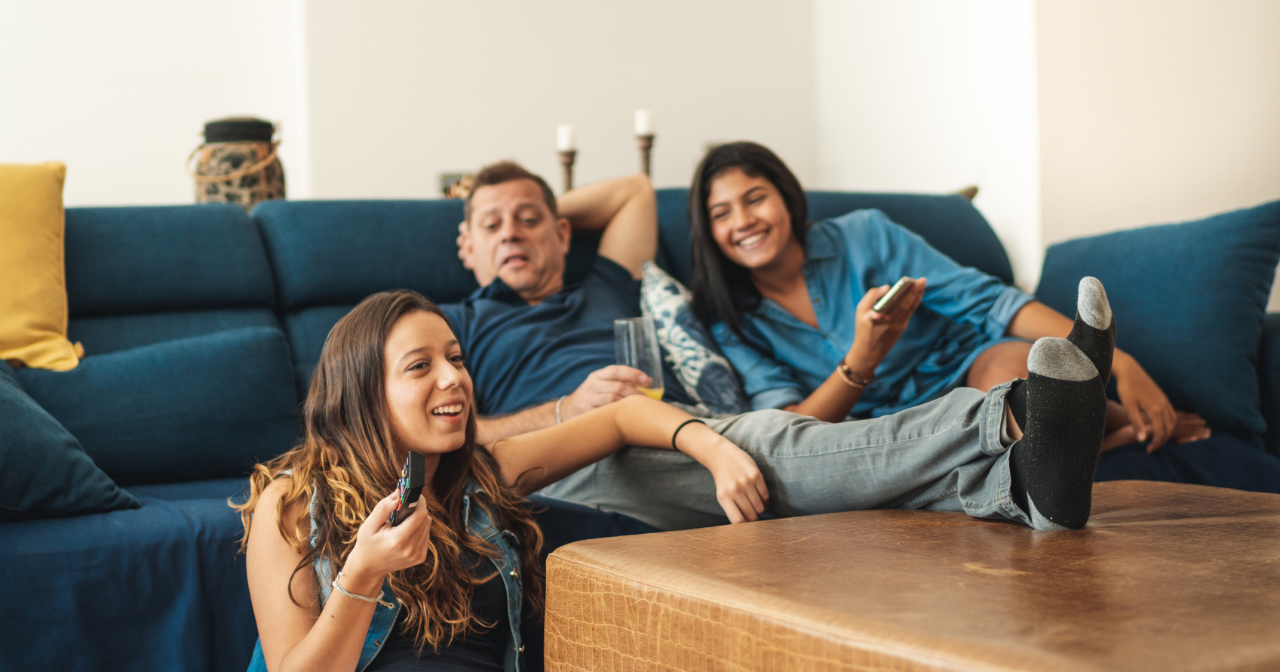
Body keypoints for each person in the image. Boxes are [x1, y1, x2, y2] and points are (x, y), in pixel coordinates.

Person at [235, 283, 1119, 671]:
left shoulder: (480, 478)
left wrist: (708, 444)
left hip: (679, 462)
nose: (455, 379)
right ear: (360, 390)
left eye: (456, 359)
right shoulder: (291, 506)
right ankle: (1021, 440)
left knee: (762, 448)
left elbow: (619, 419)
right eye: (420, 367)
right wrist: (359, 577)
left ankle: (1020, 444)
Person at [686, 141, 1210, 453]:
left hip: (967, 364)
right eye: (722, 213)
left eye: (755, 199)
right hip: (889, 425)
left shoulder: (865, 235)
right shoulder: (727, 317)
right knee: (992, 424)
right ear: (708, 233)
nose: (744, 221)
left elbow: (990, 302)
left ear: (786, 196)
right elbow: (794, 425)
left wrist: (1118, 361)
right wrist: (860, 362)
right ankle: (1099, 442)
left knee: (1020, 379)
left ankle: (1125, 424)